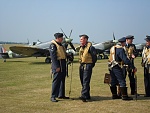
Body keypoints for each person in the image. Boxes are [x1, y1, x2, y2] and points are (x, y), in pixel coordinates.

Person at [49, 33, 69, 102]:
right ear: (57, 38)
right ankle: (53, 96)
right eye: (61, 37)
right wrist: (57, 66)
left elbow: (63, 53)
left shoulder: (61, 45)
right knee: (56, 80)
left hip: (63, 63)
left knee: (62, 80)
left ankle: (61, 94)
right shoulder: (53, 45)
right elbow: (53, 57)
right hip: (58, 63)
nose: (62, 39)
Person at [78, 34, 97, 102]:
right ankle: (87, 95)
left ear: (86, 39)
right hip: (82, 65)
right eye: (80, 39)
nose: (80, 41)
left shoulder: (91, 47)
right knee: (82, 80)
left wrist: (91, 65)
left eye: (82, 39)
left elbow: (94, 57)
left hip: (88, 65)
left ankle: (84, 96)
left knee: (86, 80)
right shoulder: (82, 47)